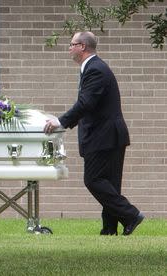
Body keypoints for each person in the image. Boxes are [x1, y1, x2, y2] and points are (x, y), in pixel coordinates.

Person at [44, 31, 144, 236]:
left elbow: (86, 103)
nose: (69, 48)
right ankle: (109, 229)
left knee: (94, 180)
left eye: (72, 44)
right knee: (110, 184)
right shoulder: (93, 68)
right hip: (110, 136)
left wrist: (60, 121)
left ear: (82, 47)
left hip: (104, 136)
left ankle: (131, 215)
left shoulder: (95, 70)